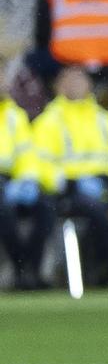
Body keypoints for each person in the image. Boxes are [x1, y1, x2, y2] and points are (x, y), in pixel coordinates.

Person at [21, 63, 108, 288]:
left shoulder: (104, 119)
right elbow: (40, 161)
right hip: (72, 191)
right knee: (95, 211)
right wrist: (67, 183)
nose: (76, 84)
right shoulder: (49, 121)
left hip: (105, 185)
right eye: (70, 79)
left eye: (81, 78)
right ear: (58, 86)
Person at [0, 73, 46, 289]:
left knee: (46, 208)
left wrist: (27, 179)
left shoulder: (15, 116)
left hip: (11, 181)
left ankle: (32, 269)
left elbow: (27, 153)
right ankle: (21, 265)